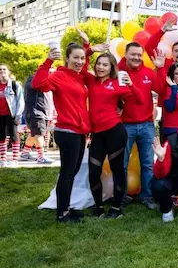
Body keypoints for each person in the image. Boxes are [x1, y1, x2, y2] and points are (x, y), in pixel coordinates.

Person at [32, 44, 91, 222]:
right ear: (67, 58)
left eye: (82, 58)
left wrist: (88, 47)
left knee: (72, 173)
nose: (80, 61)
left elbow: (85, 67)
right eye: (76, 58)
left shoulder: (79, 77)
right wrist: (48, 60)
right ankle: (62, 213)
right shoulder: (59, 76)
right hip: (67, 131)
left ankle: (66, 207)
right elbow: (39, 84)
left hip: (79, 131)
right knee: (66, 173)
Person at [83, 53, 144, 219]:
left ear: (111, 68)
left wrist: (131, 84)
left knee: (118, 170)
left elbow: (140, 99)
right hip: (97, 134)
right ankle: (99, 207)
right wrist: (88, 49)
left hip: (115, 132)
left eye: (105, 65)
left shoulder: (117, 83)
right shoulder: (91, 80)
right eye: (99, 64)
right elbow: (81, 66)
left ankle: (116, 208)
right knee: (94, 172)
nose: (101, 67)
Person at [118, 42, 164, 210]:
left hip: (146, 124)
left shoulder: (148, 72)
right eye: (133, 54)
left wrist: (160, 69)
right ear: (125, 54)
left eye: (139, 54)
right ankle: (121, 196)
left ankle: (147, 195)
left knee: (147, 163)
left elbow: (159, 88)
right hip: (125, 125)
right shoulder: (118, 71)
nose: (136, 57)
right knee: (122, 163)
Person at [21, 73, 54, 164]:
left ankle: (25, 153)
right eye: (50, 72)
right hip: (35, 113)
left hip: (44, 113)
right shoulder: (34, 79)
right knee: (38, 134)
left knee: (34, 134)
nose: (52, 74)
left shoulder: (48, 84)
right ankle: (41, 157)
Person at [0, 64, 24, 166]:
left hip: (12, 114)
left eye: (4, 69)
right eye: (0, 69)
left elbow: (20, 101)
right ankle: (3, 160)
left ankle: (15, 160)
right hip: (0, 115)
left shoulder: (15, 84)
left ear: (8, 71)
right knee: (1, 137)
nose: (2, 71)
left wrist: (18, 116)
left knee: (14, 136)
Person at [160, 63, 178, 141]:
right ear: (171, 75)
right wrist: (174, 87)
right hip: (171, 132)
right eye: (177, 74)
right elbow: (170, 107)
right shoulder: (167, 90)